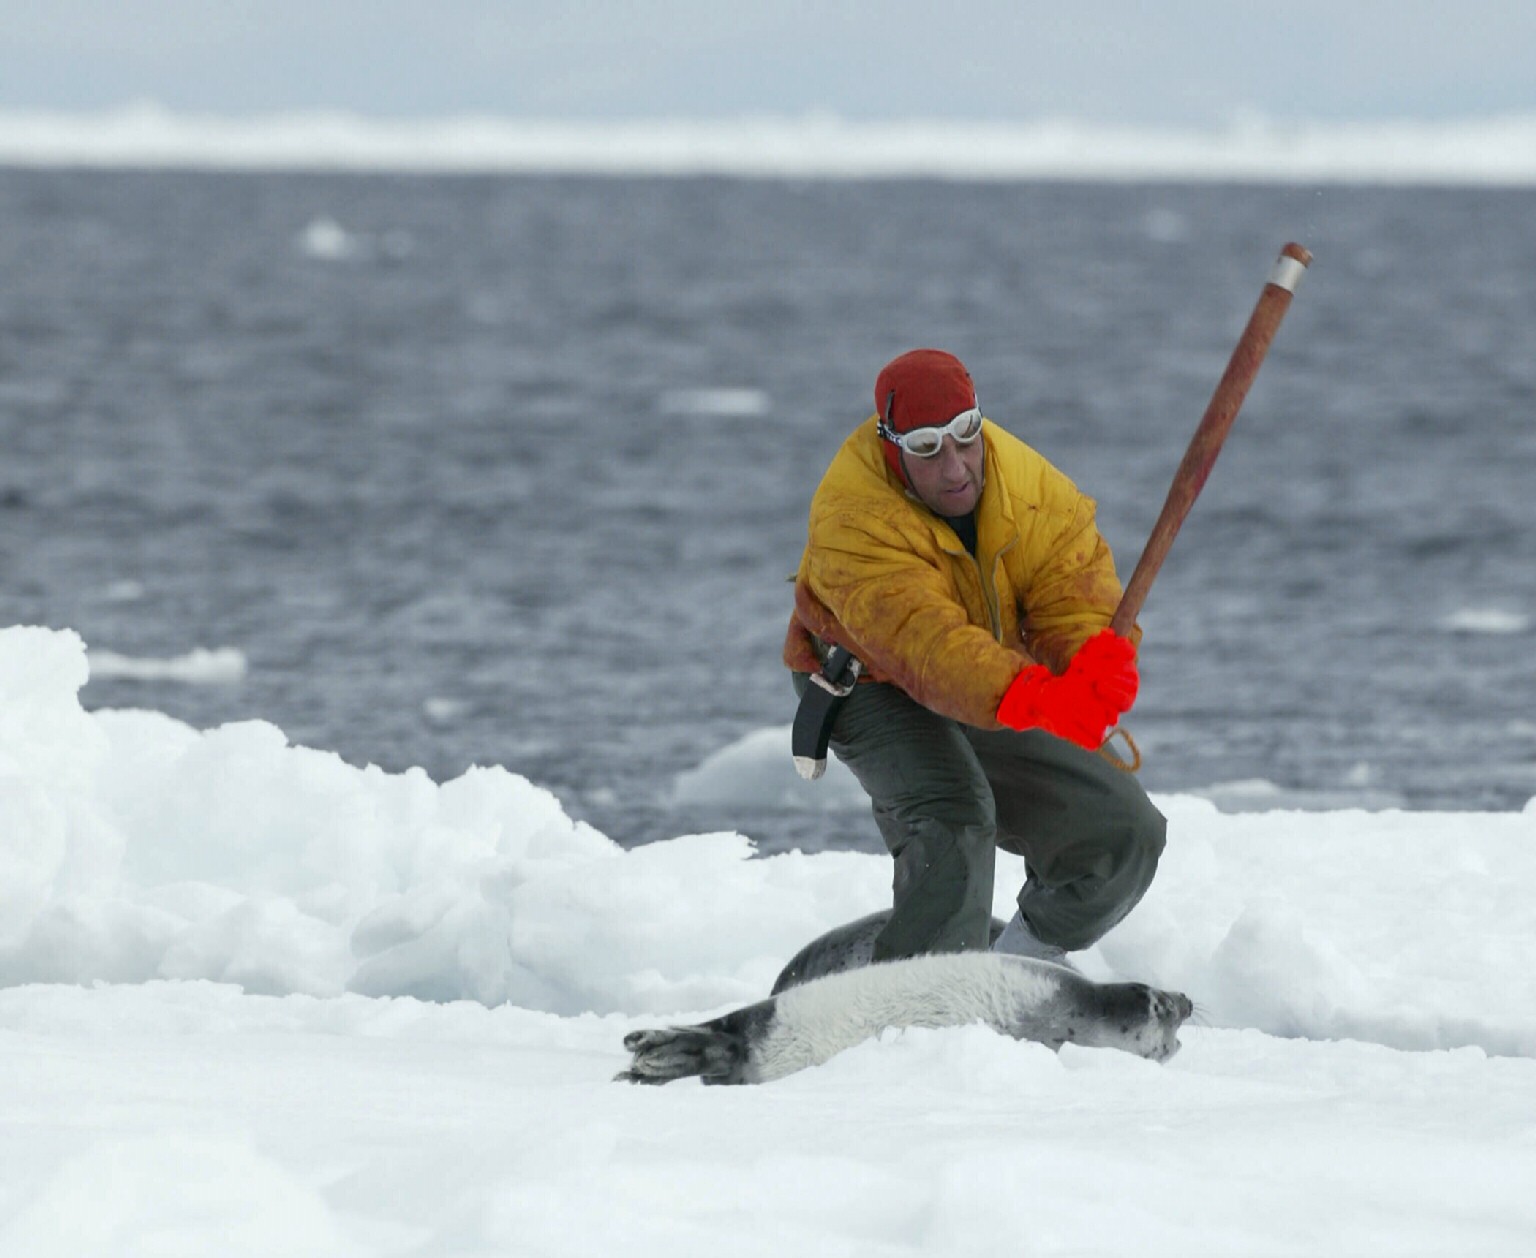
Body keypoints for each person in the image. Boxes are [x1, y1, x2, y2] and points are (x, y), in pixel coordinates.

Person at [785, 348, 1165, 966]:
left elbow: (1070, 591)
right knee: (954, 817)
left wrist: (1089, 663)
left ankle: (1016, 971)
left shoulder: (1035, 490)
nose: (955, 466)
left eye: (966, 435)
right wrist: (1035, 696)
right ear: (891, 448)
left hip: (989, 678)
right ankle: (923, 1003)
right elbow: (927, 645)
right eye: (927, 448)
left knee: (1122, 831)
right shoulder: (853, 516)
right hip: (867, 682)